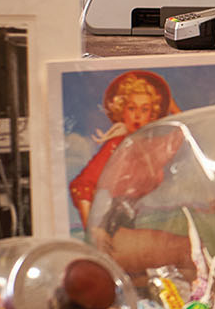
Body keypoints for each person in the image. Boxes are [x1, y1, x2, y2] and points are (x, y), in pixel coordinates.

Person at [69, 70, 176, 228]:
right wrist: (91, 230)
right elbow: (82, 185)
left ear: (153, 114)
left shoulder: (156, 144)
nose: (138, 116)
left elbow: (186, 133)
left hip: (154, 216)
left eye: (145, 109)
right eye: (132, 108)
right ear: (121, 111)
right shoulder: (116, 145)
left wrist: (172, 106)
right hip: (119, 219)